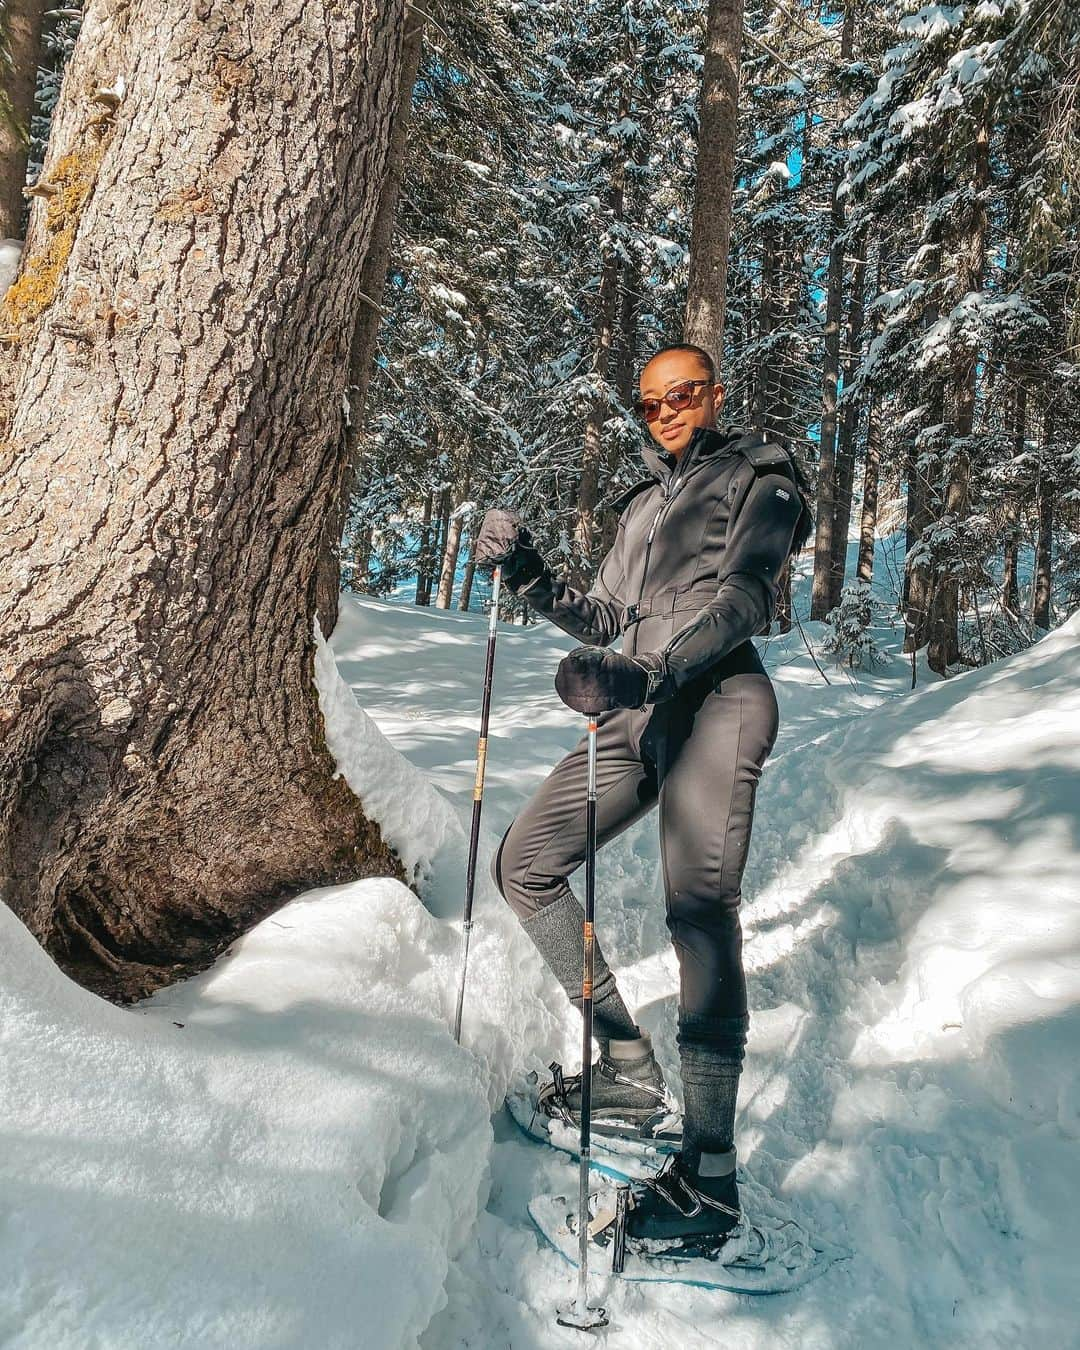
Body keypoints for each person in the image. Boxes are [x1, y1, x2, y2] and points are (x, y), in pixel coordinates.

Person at [476, 343, 812, 1247]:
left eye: (684, 396)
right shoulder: (640, 505)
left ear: (715, 394)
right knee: (525, 865)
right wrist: (535, 578)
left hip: (720, 699)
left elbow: (744, 599)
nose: (667, 413)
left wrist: (651, 669)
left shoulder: (761, 472)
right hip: (642, 706)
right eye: (652, 402)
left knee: (698, 911)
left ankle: (709, 1177)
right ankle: (625, 1059)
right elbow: (609, 617)